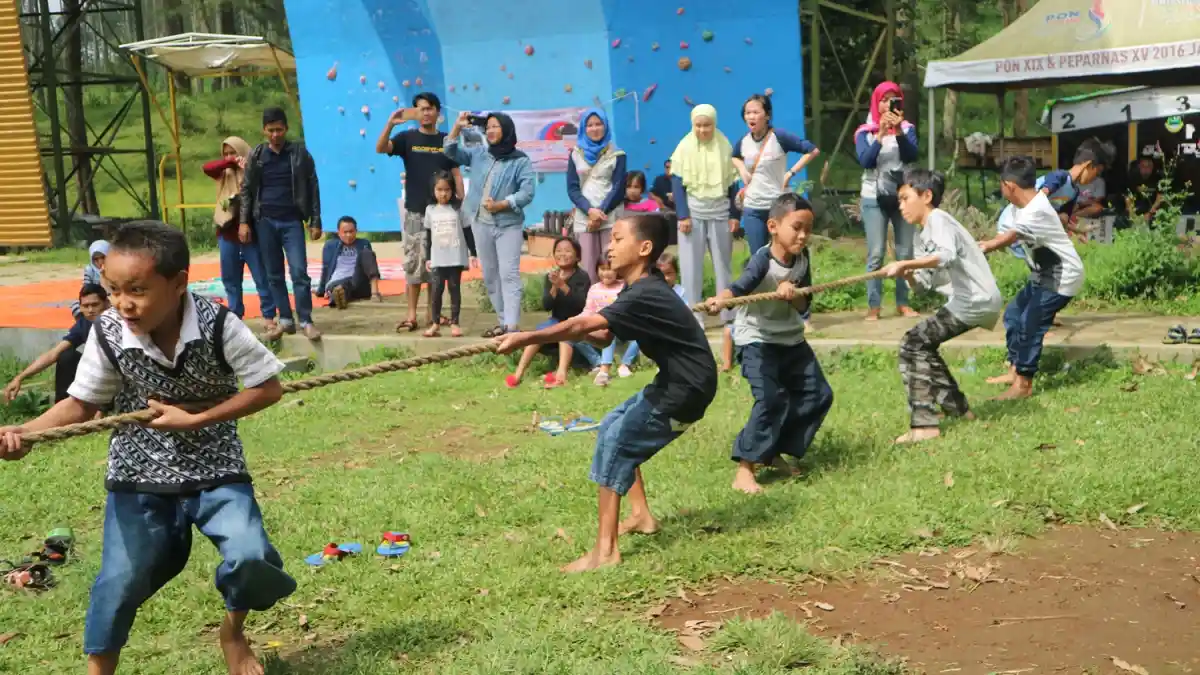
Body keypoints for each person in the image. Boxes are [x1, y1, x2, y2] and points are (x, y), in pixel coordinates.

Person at [0, 221, 295, 675]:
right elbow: (82, 404)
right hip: (138, 471)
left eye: (136, 290)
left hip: (215, 465)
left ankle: (233, 631)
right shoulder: (108, 331)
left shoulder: (219, 325)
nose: (123, 303)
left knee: (251, 555)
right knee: (118, 580)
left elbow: (268, 388)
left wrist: (195, 419)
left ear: (178, 284)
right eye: (114, 289)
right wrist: (29, 432)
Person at [495, 214, 718, 572]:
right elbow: (602, 335)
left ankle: (606, 553)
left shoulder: (646, 292)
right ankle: (642, 515)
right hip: (678, 380)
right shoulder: (639, 287)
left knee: (615, 442)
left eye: (616, 239)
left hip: (687, 390)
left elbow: (586, 324)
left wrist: (526, 337)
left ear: (644, 248)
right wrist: (578, 330)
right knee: (614, 423)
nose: (609, 246)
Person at [705, 194, 832, 494]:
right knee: (771, 400)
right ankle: (745, 469)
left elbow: (804, 306)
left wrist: (793, 292)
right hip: (757, 341)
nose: (802, 235)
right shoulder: (761, 259)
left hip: (791, 339)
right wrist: (722, 299)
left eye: (807, 229)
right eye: (796, 227)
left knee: (818, 394)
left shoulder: (803, 259)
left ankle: (773, 451)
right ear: (773, 226)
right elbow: (741, 286)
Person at [881, 169, 1002, 443]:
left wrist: (905, 263)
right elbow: (923, 287)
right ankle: (958, 410)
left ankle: (924, 426)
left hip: (974, 299)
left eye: (905, 198)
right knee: (921, 344)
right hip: (971, 299)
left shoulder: (938, 219)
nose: (900, 205)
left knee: (912, 343)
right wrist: (909, 274)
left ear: (926, 196)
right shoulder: (921, 235)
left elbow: (945, 257)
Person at [979, 156, 1084, 400]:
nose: (1001, 189)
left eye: (1001, 184)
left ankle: (1023, 385)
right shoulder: (1023, 205)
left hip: (1062, 275)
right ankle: (1016, 369)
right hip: (1044, 271)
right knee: (1014, 315)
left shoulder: (1035, 209)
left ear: (1009, 185)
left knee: (1030, 323)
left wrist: (985, 246)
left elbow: (1011, 236)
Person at [375, 92, 465, 331]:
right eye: (421, 109)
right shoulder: (407, 138)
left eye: (429, 108)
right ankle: (411, 315)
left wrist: (460, 196)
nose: (425, 113)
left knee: (437, 265)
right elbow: (381, 147)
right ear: (415, 113)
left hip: (443, 214)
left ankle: (431, 316)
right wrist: (390, 124)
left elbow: (455, 171)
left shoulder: (446, 140)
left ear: (437, 112)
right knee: (414, 264)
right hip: (416, 211)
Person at [445, 111, 536, 338]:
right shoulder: (479, 154)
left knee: (509, 274)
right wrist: (457, 126)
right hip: (480, 223)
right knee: (490, 275)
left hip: (508, 225)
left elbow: (527, 192)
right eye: (489, 127)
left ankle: (512, 326)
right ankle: (503, 322)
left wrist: (504, 204)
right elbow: (449, 151)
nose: (492, 131)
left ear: (506, 130)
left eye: (496, 127)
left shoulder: (520, 160)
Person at [239, 106, 323, 341]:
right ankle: (285, 319)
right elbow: (246, 190)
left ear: (286, 129)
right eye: (271, 130)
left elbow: (313, 187)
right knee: (273, 274)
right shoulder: (256, 155)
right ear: (264, 131)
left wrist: (315, 220)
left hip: (292, 222)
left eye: (279, 129)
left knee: (299, 271)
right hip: (264, 221)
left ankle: (306, 319)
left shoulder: (299, 154)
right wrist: (244, 222)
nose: (275, 134)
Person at [670, 104, 740, 371]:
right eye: (698, 125)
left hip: (721, 211)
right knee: (690, 266)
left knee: (723, 263)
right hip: (693, 214)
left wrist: (735, 214)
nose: (703, 130)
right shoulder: (684, 147)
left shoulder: (725, 147)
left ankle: (728, 314)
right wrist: (682, 216)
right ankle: (695, 315)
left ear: (714, 124)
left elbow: (734, 184)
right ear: (692, 125)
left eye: (707, 125)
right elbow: (677, 183)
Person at [856, 81, 920, 321]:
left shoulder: (908, 128)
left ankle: (903, 303)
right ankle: (874, 306)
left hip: (902, 196)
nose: (887, 104)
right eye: (884, 99)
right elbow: (865, 161)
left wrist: (899, 132)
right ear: (876, 102)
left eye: (893, 99)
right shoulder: (865, 131)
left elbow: (912, 155)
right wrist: (881, 134)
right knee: (876, 252)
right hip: (873, 196)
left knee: (905, 251)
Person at [733, 94, 821, 254]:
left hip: (778, 206)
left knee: (784, 253)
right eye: (747, 113)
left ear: (767, 115)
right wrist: (741, 168)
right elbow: (734, 156)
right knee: (759, 256)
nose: (751, 117)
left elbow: (812, 150)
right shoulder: (743, 141)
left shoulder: (779, 137)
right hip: (753, 207)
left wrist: (790, 173)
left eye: (755, 112)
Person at [995, 139, 1113, 258]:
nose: (1095, 178)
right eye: (1097, 172)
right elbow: (1037, 200)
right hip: (1011, 223)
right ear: (1088, 165)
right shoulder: (1059, 177)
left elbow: (1062, 220)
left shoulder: (1074, 193)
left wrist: (1077, 230)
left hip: (1024, 236)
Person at [203, 136, 277, 324]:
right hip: (227, 234)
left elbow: (263, 189)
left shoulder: (253, 169)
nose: (229, 157)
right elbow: (207, 168)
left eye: (233, 152)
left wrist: (248, 170)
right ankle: (236, 316)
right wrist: (229, 162)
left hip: (252, 234)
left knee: (261, 276)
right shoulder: (224, 172)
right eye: (225, 153)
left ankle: (269, 316)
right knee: (231, 279)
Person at [504, 237, 589, 388]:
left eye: (568, 251)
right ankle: (518, 374)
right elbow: (546, 305)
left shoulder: (582, 277)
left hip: (575, 321)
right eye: (558, 251)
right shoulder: (551, 277)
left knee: (564, 332)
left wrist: (562, 285)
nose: (562, 254)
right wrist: (555, 286)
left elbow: (580, 304)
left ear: (577, 256)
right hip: (555, 319)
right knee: (537, 334)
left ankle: (561, 375)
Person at [5, 284, 110, 404]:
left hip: (119, 374)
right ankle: (62, 405)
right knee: (66, 355)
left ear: (107, 304)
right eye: (86, 306)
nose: (90, 310)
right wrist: (20, 378)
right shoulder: (84, 324)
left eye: (95, 305)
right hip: (98, 372)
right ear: (80, 307)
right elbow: (53, 354)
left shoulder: (119, 322)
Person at [567, 108, 627, 283]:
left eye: (599, 124)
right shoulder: (575, 154)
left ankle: (615, 308)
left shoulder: (617, 154)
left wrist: (600, 212)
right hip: (584, 219)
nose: (594, 128)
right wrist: (589, 211)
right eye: (590, 125)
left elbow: (618, 187)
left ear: (606, 126)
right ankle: (591, 307)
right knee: (588, 269)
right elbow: (572, 189)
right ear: (584, 128)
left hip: (610, 217)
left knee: (613, 265)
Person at [423, 171, 478, 338]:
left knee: (454, 289)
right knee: (436, 291)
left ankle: (455, 323)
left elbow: (468, 231)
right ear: (433, 190)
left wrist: (473, 253)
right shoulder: (430, 210)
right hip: (438, 259)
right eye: (439, 189)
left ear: (452, 190)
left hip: (455, 257)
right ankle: (435, 323)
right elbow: (428, 235)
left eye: (447, 189)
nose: (443, 193)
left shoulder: (459, 208)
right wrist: (428, 257)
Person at [575, 261, 640, 386]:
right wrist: (575, 321)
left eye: (609, 269)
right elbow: (588, 311)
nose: (606, 273)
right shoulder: (594, 289)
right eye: (602, 269)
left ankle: (618, 367)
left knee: (613, 327)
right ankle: (598, 363)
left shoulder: (624, 286)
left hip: (622, 329)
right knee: (575, 335)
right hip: (599, 328)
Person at [315, 216, 382, 310]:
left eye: (351, 231)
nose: (348, 235)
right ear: (338, 233)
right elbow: (325, 268)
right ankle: (337, 297)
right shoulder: (330, 245)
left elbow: (369, 265)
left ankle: (375, 293)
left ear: (356, 231)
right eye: (345, 232)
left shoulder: (364, 243)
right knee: (341, 287)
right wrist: (321, 290)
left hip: (357, 282)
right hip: (337, 282)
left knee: (367, 253)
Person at [72, 241, 110, 319]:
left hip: (110, 298)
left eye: (103, 257)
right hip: (94, 298)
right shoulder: (90, 270)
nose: (100, 262)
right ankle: (85, 321)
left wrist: (104, 277)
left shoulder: (116, 269)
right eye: (96, 259)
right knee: (75, 305)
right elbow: (86, 289)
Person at [1126, 151, 1164, 222]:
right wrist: (1132, 214)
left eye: (1149, 166)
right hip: (1136, 210)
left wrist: (1150, 213)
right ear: (1139, 167)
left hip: (1152, 211)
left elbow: (1159, 198)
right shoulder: (1133, 177)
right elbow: (1128, 197)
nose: (1146, 169)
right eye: (1143, 166)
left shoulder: (1157, 178)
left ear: (1152, 167)